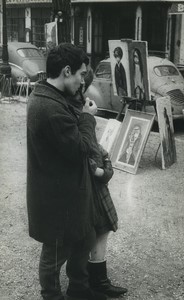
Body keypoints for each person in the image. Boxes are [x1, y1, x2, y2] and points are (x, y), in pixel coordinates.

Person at [26, 43, 107, 300]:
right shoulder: (49, 108)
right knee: (55, 253)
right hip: (57, 198)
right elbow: (81, 148)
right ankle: (51, 296)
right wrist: (87, 117)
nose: (84, 81)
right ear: (67, 70)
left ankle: (79, 290)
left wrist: (80, 110)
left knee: (84, 239)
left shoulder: (50, 96)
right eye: (82, 75)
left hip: (68, 191)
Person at [70, 70, 128, 298]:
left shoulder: (77, 104)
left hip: (93, 181)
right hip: (87, 186)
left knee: (99, 230)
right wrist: (88, 116)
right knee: (94, 232)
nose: (83, 85)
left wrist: (105, 168)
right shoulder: (76, 109)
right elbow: (88, 149)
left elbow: (96, 148)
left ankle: (94, 280)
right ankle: (92, 282)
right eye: (82, 80)